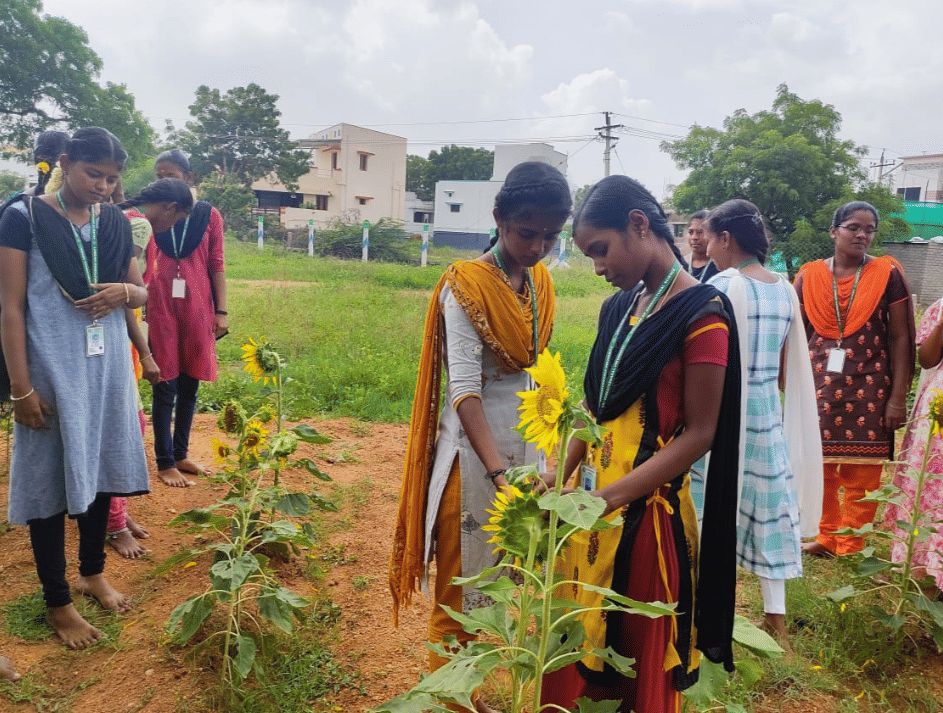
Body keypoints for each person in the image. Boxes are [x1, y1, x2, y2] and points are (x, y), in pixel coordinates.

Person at [541, 175, 741, 713]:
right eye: (588, 256)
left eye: (600, 250)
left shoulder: (703, 315)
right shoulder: (619, 309)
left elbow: (702, 433)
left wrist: (608, 498)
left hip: (647, 524)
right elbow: (595, 406)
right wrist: (556, 474)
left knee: (636, 664)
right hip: (589, 518)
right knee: (573, 648)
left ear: (638, 225)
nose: (598, 267)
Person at [390, 161, 572, 713]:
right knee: (460, 593)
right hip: (474, 461)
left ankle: (467, 694)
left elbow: (536, 370)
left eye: (550, 235)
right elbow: (464, 393)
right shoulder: (464, 285)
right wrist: (499, 473)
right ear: (498, 219)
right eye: (526, 232)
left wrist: (545, 461)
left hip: (527, 453)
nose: (538, 247)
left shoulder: (539, 282)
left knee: (502, 588)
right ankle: (449, 701)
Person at [0, 127, 149, 649]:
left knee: (103, 468)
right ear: (65, 163)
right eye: (93, 175)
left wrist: (128, 290)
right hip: (52, 373)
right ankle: (57, 602)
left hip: (106, 371)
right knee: (48, 486)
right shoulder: (23, 218)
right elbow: (10, 308)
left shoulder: (113, 223)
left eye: (112, 179)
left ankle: (91, 571)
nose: (104, 188)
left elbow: (140, 291)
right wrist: (21, 387)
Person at [703, 199, 822, 647]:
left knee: (715, 507)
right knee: (769, 510)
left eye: (711, 238)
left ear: (726, 239)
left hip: (724, 412)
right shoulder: (784, 288)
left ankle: (712, 610)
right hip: (766, 412)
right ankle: (777, 621)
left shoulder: (724, 285)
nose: (708, 247)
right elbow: (789, 362)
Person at [795, 201, 915, 557]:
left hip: (870, 384)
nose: (862, 235)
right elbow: (797, 336)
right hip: (819, 384)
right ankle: (827, 536)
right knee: (823, 466)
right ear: (834, 231)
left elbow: (900, 338)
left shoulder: (886, 274)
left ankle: (852, 542)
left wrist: (897, 398)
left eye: (870, 229)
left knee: (863, 472)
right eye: (853, 227)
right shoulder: (809, 277)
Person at [102, 179, 195, 557]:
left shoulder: (121, 215)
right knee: (124, 427)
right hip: (115, 336)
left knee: (123, 425)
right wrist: (146, 353)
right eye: (177, 221)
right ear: (170, 207)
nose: (172, 230)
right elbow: (125, 294)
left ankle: (117, 514)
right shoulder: (137, 224)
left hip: (113, 333)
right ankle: (112, 522)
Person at [145, 149, 228, 487]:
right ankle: (164, 462)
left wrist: (221, 310)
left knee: (189, 383)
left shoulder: (209, 216)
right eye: (159, 175)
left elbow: (217, 264)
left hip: (197, 307)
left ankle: (181, 454)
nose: (164, 180)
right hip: (161, 304)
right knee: (164, 383)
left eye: (171, 175)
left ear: (188, 179)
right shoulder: (149, 214)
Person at [882, 293, 943, 592]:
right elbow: (928, 359)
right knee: (931, 485)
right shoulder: (941, 306)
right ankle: (924, 567)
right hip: (940, 406)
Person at [685, 209, 718, 283]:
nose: (694, 237)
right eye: (690, 232)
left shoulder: (721, 266)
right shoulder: (679, 265)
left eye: (700, 232)